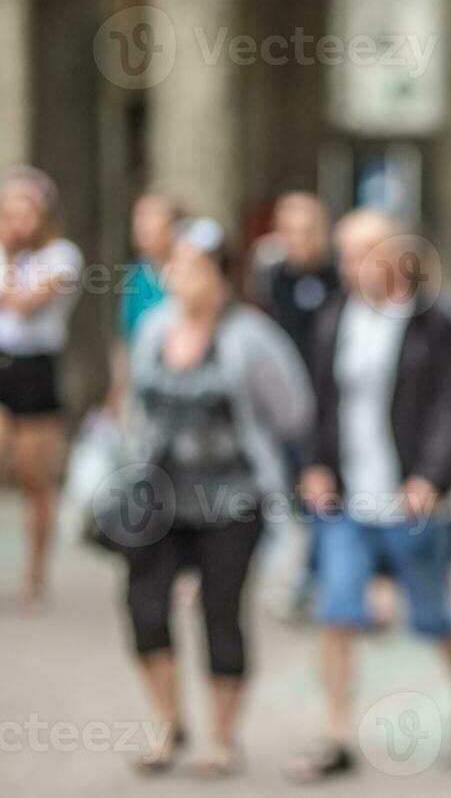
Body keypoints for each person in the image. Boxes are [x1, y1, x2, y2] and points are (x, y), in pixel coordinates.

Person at [290, 209, 451, 780]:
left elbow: (450, 406)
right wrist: (315, 465)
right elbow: (321, 402)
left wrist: (429, 476)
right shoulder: (335, 317)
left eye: (363, 253)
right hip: (350, 499)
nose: (350, 267)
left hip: (410, 500)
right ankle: (334, 734)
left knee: (435, 618)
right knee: (338, 612)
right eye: (345, 254)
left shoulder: (433, 321)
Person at [122, 219, 313, 776]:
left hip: (233, 500)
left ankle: (222, 738)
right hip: (159, 499)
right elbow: (137, 402)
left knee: (220, 613)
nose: (181, 278)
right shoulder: (155, 328)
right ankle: (168, 722)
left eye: (193, 268)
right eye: (175, 267)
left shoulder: (251, 336)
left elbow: (294, 410)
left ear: (222, 277)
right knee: (144, 605)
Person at [0, 166, 83, 610]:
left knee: (36, 479)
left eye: (24, 212)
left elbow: (26, 303)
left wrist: (12, 261)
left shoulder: (62, 256)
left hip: (35, 368)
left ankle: (35, 572)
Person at [259, 192, 339, 360]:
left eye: (306, 232)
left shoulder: (340, 278)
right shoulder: (271, 276)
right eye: (289, 231)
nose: (298, 241)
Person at [119, 191, 180, 345]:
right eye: (138, 215)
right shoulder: (137, 273)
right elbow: (126, 332)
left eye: (151, 215)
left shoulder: (188, 273)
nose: (140, 224)